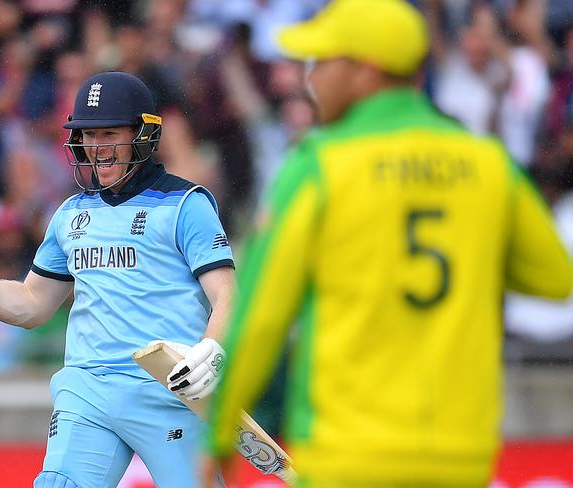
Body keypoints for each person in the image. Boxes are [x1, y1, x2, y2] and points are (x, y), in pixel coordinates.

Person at [203, 1, 573, 487]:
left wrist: (215, 439)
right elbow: (554, 278)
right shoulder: (486, 162)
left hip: (348, 456)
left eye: (323, 62)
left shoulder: (319, 165)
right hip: (460, 456)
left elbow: (260, 319)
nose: (310, 78)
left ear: (365, 71)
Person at [0, 71, 234, 488]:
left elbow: (228, 296)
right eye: (88, 134)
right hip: (88, 388)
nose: (96, 146)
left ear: (143, 134)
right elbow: (33, 303)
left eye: (109, 133)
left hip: (167, 389)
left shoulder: (186, 205)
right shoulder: (71, 214)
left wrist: (212, 349)